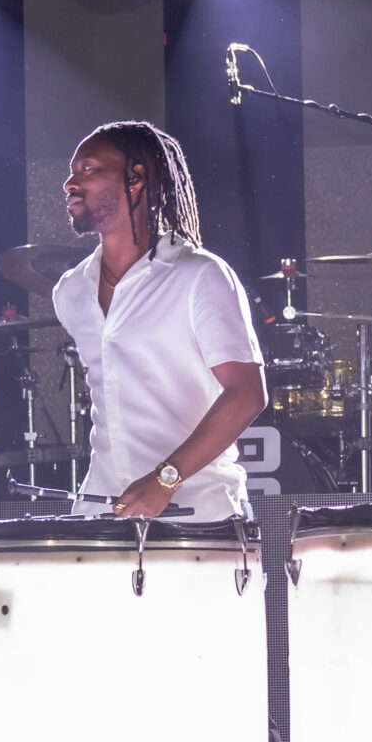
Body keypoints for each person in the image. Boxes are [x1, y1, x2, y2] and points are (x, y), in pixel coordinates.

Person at [51, 121, 266, 521]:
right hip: (103, 513)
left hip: (200, 517)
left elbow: (247, 394)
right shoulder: (70, 291)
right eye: (71, 172)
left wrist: (165, 479)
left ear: (134, 179)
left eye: (87, 169)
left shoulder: (199, 275)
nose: (69, 183)